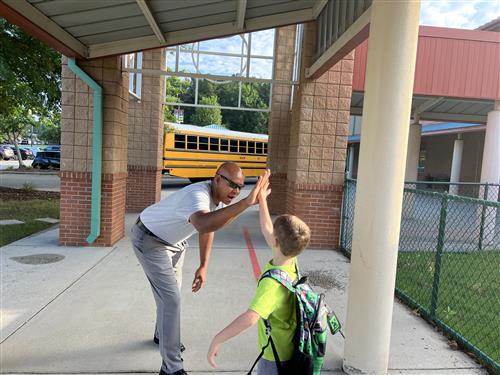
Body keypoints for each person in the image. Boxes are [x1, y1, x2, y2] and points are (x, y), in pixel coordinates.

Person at [131, 162, 269, 375]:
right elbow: (204, 224)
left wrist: (203, 265)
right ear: (216, 179)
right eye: (231, 184)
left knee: (170, 296)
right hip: (150, 239)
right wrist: (247, 202)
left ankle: (162, 334)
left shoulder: (219, 199)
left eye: (240, 187)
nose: (235, 190)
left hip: (174, 242)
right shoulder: (198, 194)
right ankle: (171, 368)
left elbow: (211, 227)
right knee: (171, 300)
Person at [207, 169, 311, 374]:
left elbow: (251, 317)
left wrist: (218, 339)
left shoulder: (272, 284)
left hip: (274, 357)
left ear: (276, 242)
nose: (269, 231)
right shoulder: (291, 259)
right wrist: (262, 199)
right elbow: (267, 230)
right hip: (291, 346)